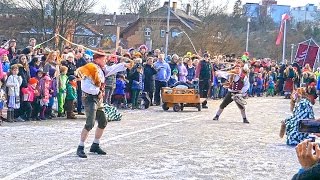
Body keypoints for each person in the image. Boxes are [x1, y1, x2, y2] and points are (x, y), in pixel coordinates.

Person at [75, 50, 130, 158]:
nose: (105, 60)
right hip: (90, 98)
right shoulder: (90, 68)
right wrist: (98, 91)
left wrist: (125, 64)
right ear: (97, 59)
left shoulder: (101, 69)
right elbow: (85, 86)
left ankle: (95, 145)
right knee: (90, 123)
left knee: (103, 121)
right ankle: (80, 147)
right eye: (103, 58)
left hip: (97, 98)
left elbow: (111, 69)